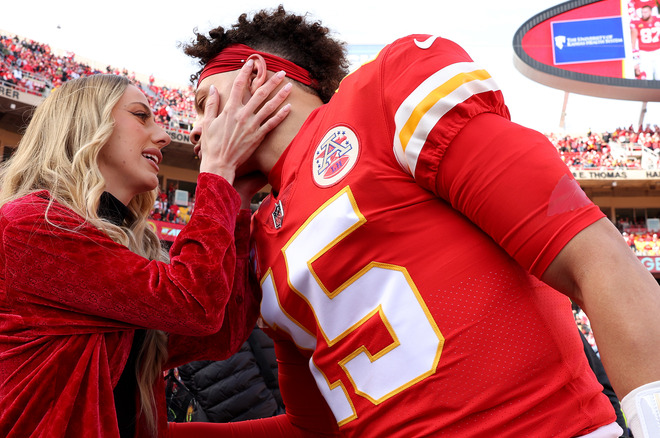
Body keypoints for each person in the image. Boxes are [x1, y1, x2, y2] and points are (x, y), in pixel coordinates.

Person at [178, 6, 660, 437]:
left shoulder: (382, 94)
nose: (195, 130)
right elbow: (311, 429)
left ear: (256, 72)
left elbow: (593, 253)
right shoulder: (260, 238)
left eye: (202, 104)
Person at [0, 71, 292, 438]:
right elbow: (192, 303)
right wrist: (217, 173)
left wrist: (235, 201)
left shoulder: (123, 239)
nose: (164, 136)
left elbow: (218, 334)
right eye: (141, 116)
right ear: (85, 125)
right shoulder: (29, 223)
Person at [631, 5, 660, 79]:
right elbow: (633, 40)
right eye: (642, 12)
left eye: (645, 12)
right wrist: (634, 55)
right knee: (647, 76)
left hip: (658, 50)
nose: (643, 14)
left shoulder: (658, 20)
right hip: (644, 52)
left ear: (651, 12)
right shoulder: (637, 22)